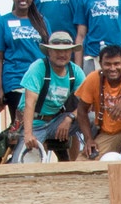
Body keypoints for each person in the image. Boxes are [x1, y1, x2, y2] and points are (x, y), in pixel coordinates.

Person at [18, 31, 87, 161]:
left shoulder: (76, 71)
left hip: (56, 121)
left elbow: (88, 103)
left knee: (92, 118)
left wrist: (70, 118)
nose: (62, 54)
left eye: (66, 50)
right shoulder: (38, 68)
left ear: (71, 52)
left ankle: (89, 156)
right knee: (21, 165)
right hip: (34, 123)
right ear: (49, 52)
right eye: (57, 50)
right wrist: (28, 134)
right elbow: (30, 103)